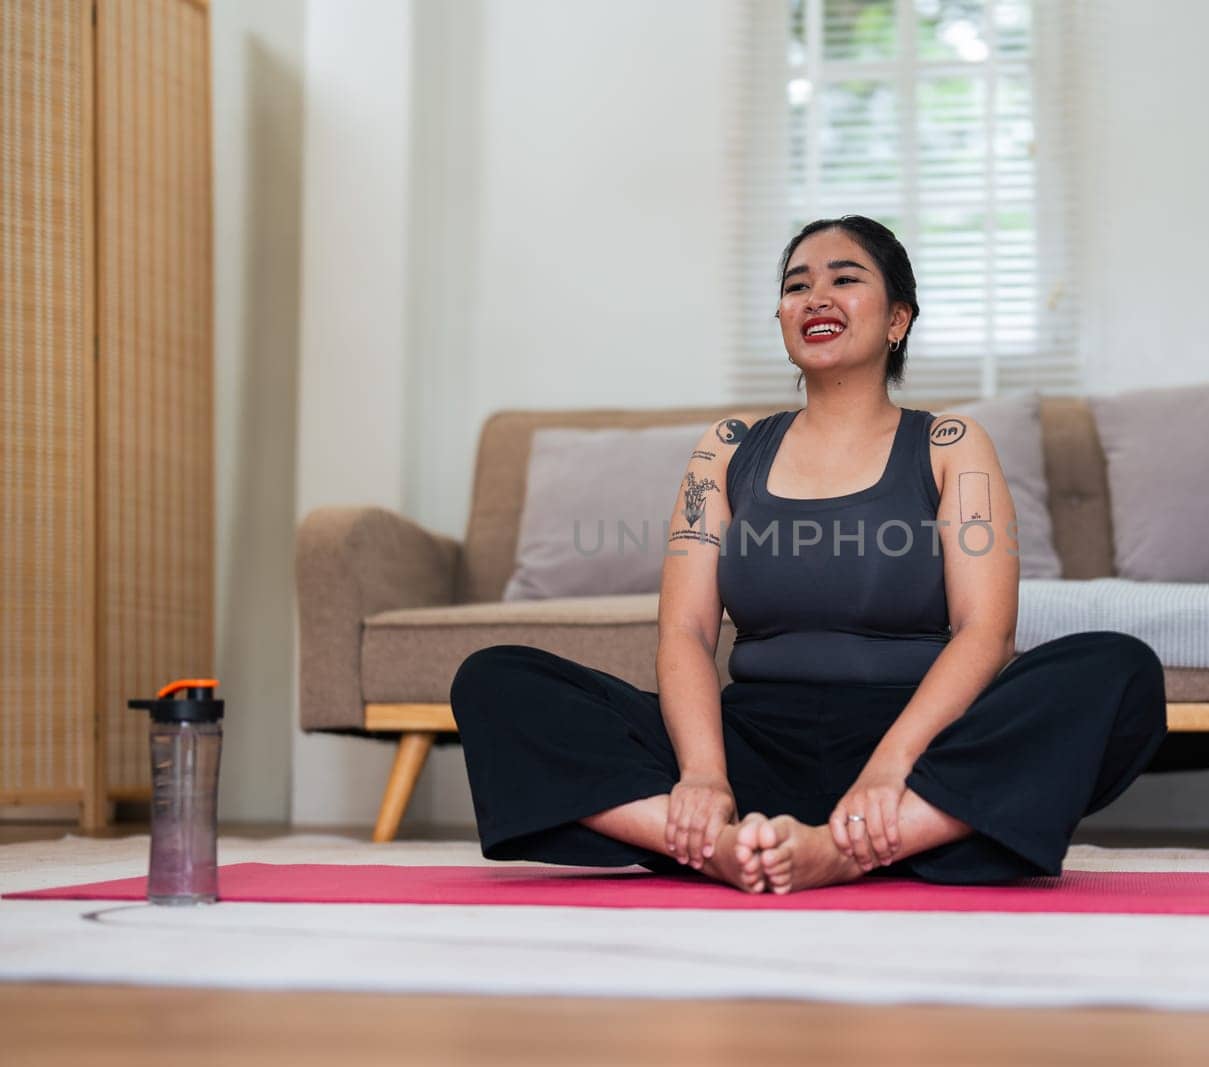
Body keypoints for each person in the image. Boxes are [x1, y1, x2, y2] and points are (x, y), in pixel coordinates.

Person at [451, 215, 1167, 894]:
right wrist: (704, 775)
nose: (815, 296)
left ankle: (848, 847)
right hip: (751, 744)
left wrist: (889, 769)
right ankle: (716, 843)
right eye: (796, 285)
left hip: (917, 752)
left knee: (1117, 668)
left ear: (897, 319)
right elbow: (687, 631)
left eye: (844, 278)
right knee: (495, 679)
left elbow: (987, 631)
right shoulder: (727, 449)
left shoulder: (951, 445)